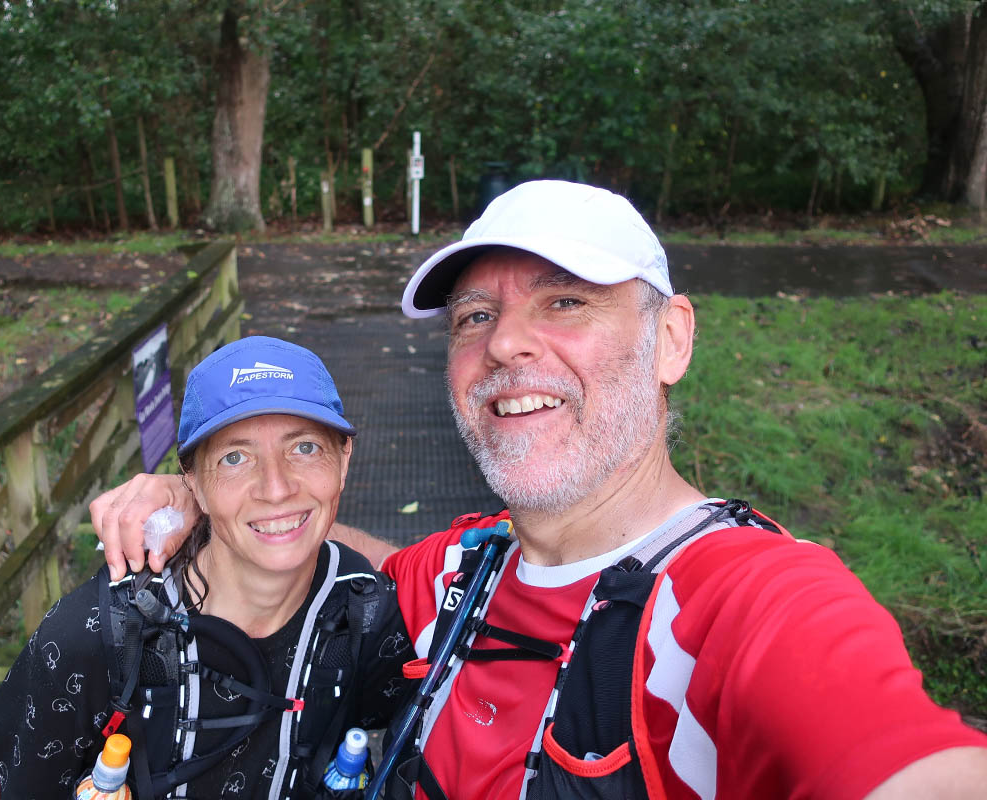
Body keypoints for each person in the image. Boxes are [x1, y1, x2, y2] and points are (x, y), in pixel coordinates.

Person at [90, 181, 987, 799]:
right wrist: (217, 498)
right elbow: (359, 562)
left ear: (672, 338)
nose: (505, 343)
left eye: (566, 301)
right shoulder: (464, 571)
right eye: (476, 316)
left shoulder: (746, 602)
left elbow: (903, 759)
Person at [0, 336, 415, 799]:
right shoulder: (95, 636)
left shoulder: (368, 614)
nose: (276, 487)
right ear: (193, 483)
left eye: (304, 448)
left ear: (343, 459)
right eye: (234, 458)